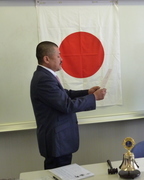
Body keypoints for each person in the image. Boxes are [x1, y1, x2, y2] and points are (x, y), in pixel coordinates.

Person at [30, 41, 107, 169]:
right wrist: (93, 97)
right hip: (57, 141)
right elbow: (67, 105)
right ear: (46, 59)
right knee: (58, 175)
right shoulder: (44, 79)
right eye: (58, 55)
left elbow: (64, 94)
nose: (61, 59)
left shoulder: (45, 75)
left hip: (59, 140)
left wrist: (87, 92)